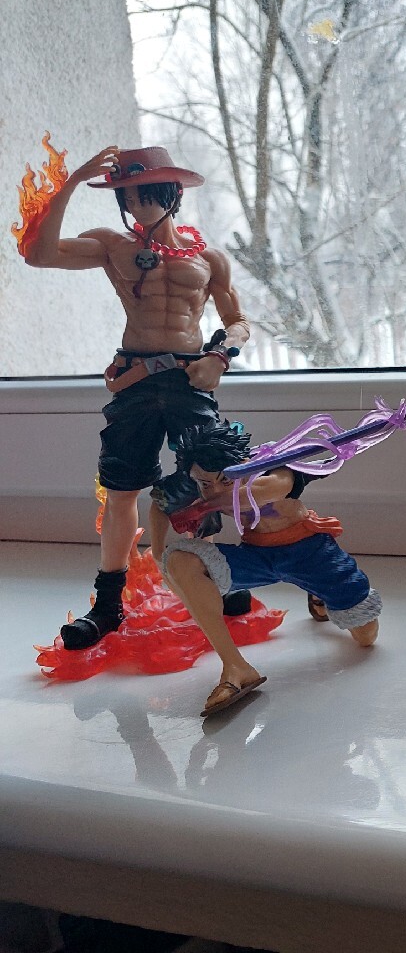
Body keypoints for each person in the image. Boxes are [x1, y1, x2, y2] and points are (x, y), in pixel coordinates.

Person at [23, 145, 250, 650]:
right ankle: (108, 603)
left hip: (189, 378)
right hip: (136, 378)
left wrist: (221, 356)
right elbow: (40, 254)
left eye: (147, 194)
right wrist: (71, 182)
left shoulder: (209, 258)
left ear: (171, 195)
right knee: (122, 487)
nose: (137, 205)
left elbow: (237, 320)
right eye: (127, 196)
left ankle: (211, 575)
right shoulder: (112, 244)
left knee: (205, 480)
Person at [150, 422, 381, 716]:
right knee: (180, 560)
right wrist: (158, 552)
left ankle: (319, 593)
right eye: (205, 484)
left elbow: (270, 489)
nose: (214, 489)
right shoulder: (199, 480)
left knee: (366, 636)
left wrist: (203, 505)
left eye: (226, 479)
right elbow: (160, 502)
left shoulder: (273, 465)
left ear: (244, 462)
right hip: (257, 556)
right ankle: (236, 667)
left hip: (310, 552)